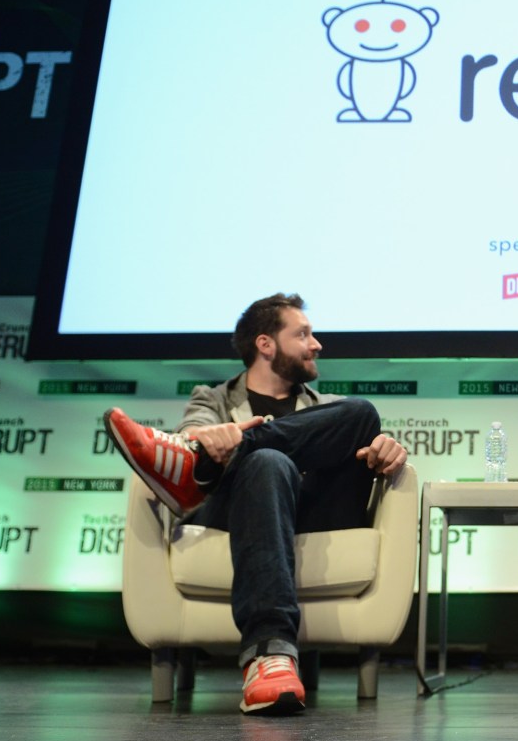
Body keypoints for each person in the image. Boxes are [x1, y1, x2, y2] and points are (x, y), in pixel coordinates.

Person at [104, 293, 408, 716]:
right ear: (266, 344)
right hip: (239, 516)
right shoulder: (213, 399)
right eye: (303, 334)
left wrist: (386, 451)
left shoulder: (327, 407)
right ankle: (269, 653)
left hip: (312, 514)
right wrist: (202, 440)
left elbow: (362, 446)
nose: (316, 344)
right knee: (267, 462)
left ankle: (207, 460)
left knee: (361, 414)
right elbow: (195, 430)